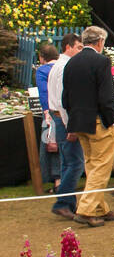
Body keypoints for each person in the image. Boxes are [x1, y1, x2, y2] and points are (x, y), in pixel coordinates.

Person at [62, 26, 114, 228]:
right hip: (98, 121)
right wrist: (111, 118)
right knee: (101, 166)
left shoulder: (71, 63)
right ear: (100, 42)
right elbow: (106, 96)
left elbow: (65, 98)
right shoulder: (102, 61)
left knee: (92, 165)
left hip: (79, 121)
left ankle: (99, 207)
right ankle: (86, 210)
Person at [45, 33, 85, 222]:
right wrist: (71, 126)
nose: (80, 51)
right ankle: (63, 203)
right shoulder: (63, 67)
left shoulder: (58, 66)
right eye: (78, 47)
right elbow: (63, 100)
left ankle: (67, 202)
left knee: (67, 162)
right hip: (62, 118)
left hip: (59, 116)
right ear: (68, 47)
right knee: (75, 162)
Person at [34, 42, 60, 189]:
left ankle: (57, 182)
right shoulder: (64, 66)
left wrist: (46, 113)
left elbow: (44, 92)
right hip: (66, 110)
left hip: (51, 110)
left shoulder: (43, 70)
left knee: (52, 146)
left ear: (42, 57)